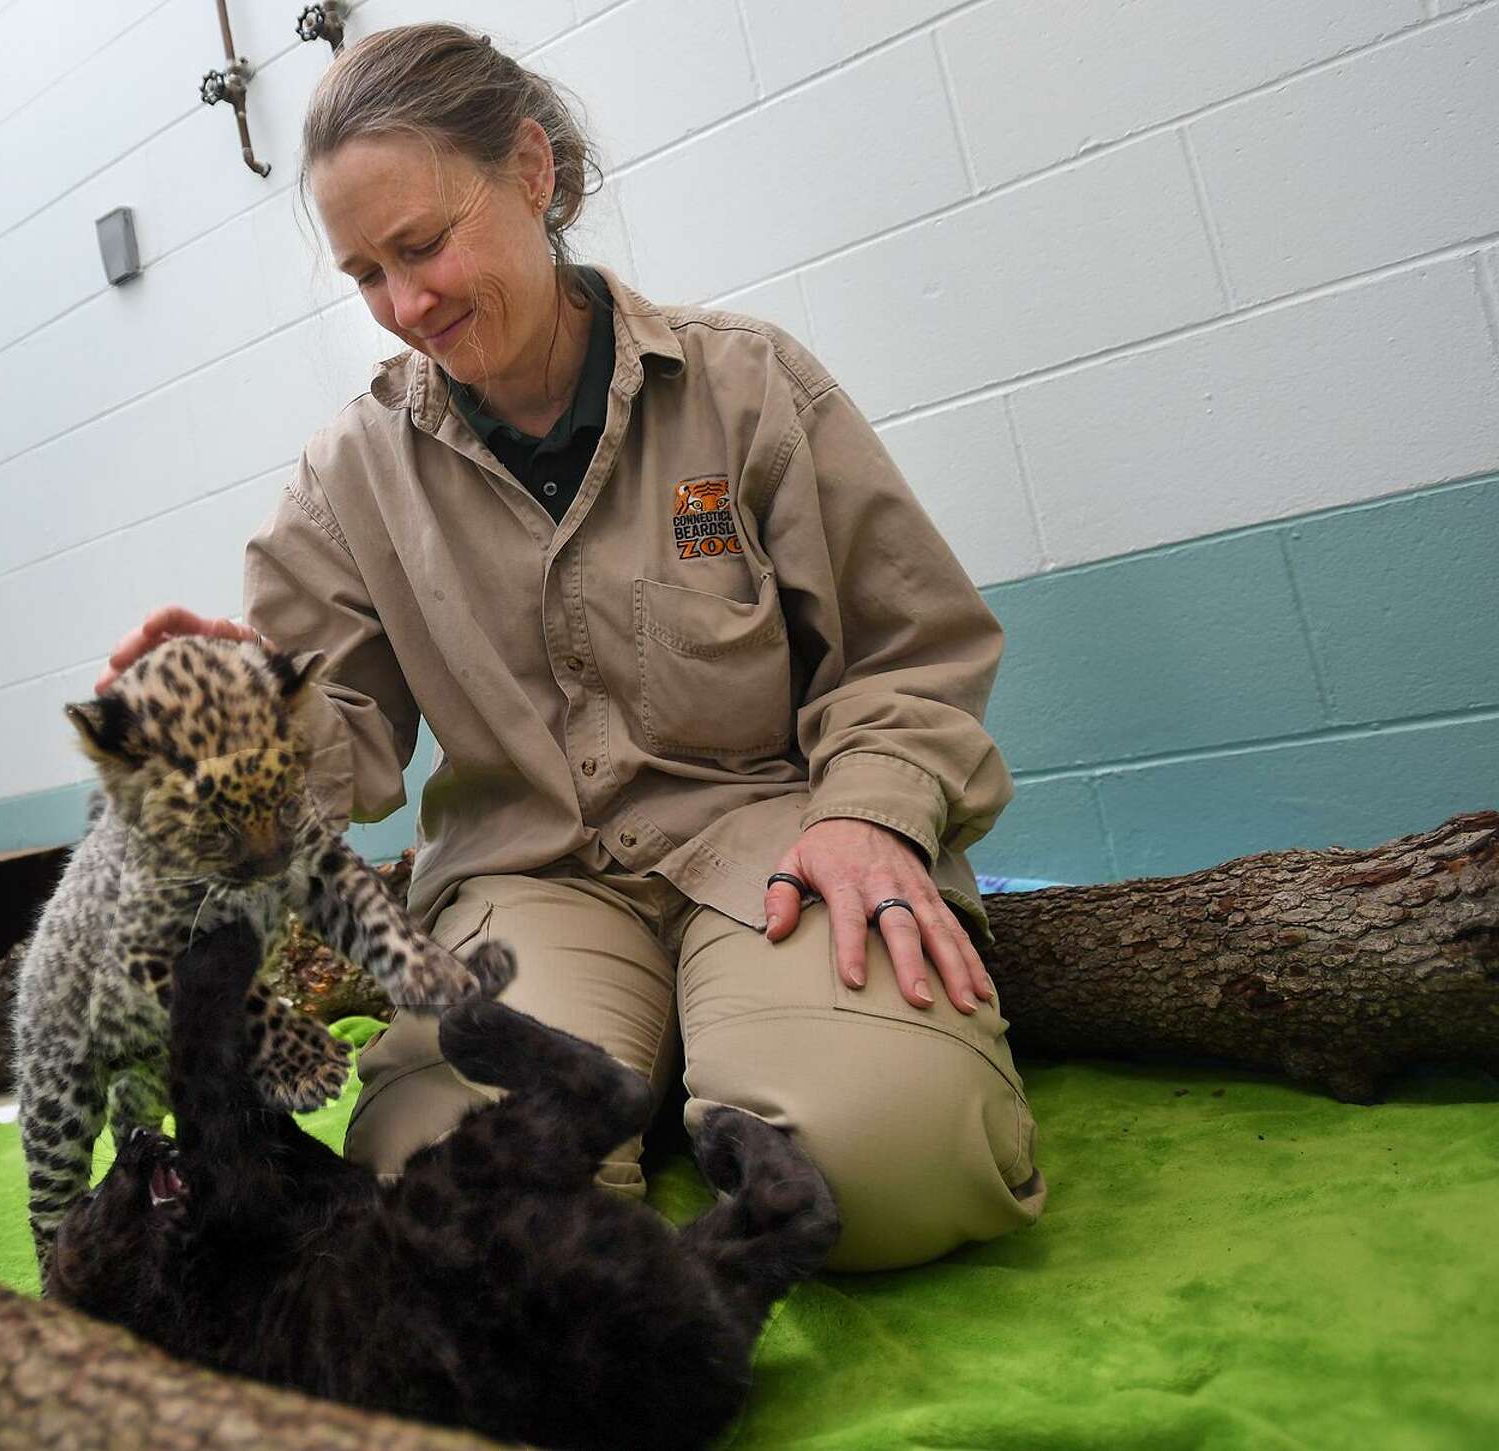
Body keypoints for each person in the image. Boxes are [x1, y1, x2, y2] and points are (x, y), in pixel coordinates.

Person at [97, 22, 1044, 1272]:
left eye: (424, 245)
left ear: (532, 171)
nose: (405, 305)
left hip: (770, 844)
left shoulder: (749, 389)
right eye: (367, 273)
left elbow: (908, 647)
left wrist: (874, 811)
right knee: (456, 1208)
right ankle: (648, 1082)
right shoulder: (347, 478)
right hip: (526, 880)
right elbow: (345, 758)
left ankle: (726, 1064)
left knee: (892, 1167)